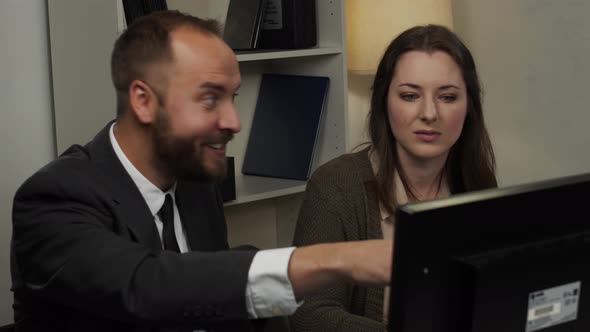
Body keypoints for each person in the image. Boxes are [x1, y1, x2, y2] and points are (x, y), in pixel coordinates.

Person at [10, 10, 392, 332]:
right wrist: (340, 258)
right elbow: (147, 285)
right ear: (143, 101)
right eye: (210, 98)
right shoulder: (53, 199)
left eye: (233, 97)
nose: (233, 121)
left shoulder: (194, 184)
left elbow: (215, 302)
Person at [290, 24, 498, 331]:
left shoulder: (479, 184)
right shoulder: (335, 185)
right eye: (410, 95)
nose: (429, 113)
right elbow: (311, 316)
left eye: (448, 97)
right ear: (384, 103)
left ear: (469, 108)